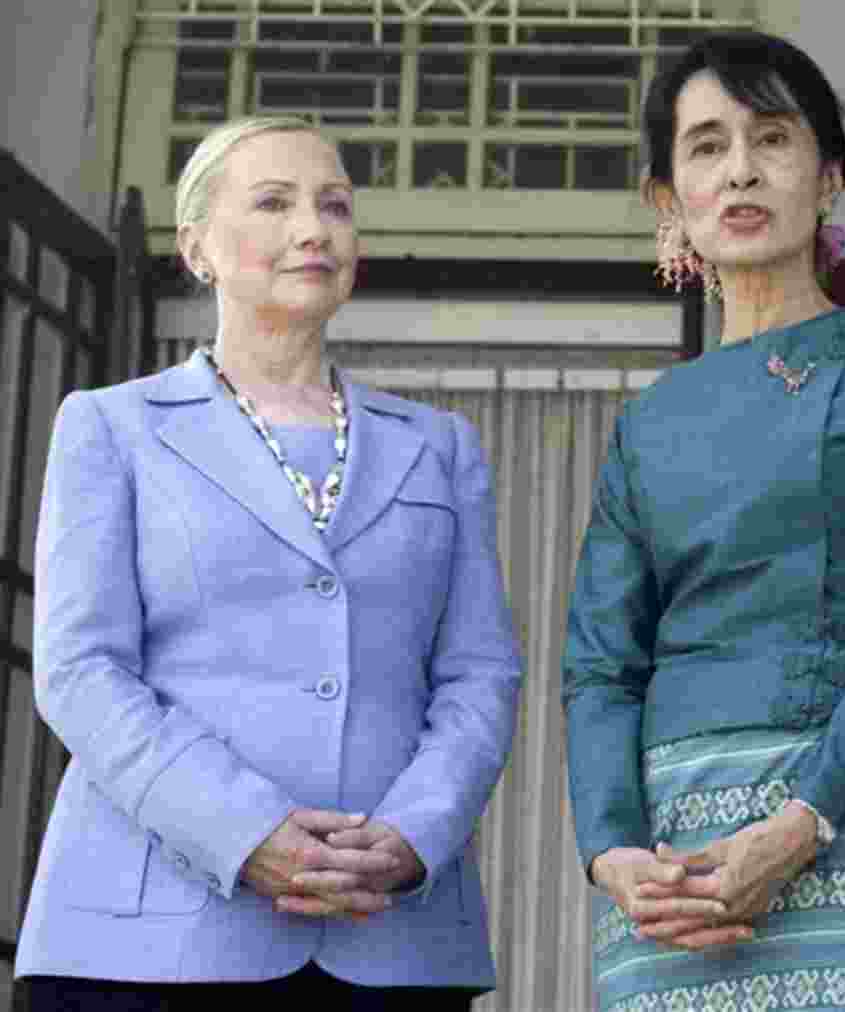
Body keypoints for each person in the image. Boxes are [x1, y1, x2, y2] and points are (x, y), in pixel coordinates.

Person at [15, 115, 521, 1010]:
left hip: (390, 939)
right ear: (199, 245)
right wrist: (243, 829)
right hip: (147, 944)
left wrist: (414, 834)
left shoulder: (440, 447)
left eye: (334, 205)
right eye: (274, 202)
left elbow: (480, 676)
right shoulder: (112, 427)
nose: (313, 228)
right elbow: (80, 670)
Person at [562, 31, 845, 1012]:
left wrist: (804, 821)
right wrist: (613, 852)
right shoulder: (647, 424)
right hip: (672, 860)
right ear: (667, 200)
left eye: (773, 138)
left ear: (829, 177)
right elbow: (599, 664)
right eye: (706, 146)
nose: (741, 169)